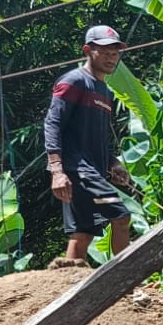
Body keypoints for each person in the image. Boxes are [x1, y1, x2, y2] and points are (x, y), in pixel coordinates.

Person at [45, 25, 133, 262]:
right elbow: (52, 123)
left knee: (83, 232)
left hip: (93, 170)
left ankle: (67, 287)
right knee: (121, 216)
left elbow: (98, 136)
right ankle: (128, 281)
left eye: (115, 53)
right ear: (87, 50)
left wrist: (113, 163)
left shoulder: (105, 91)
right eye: (104, 52)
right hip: (77, 170)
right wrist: (57, 170)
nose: (111, 58)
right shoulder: (75, 81)